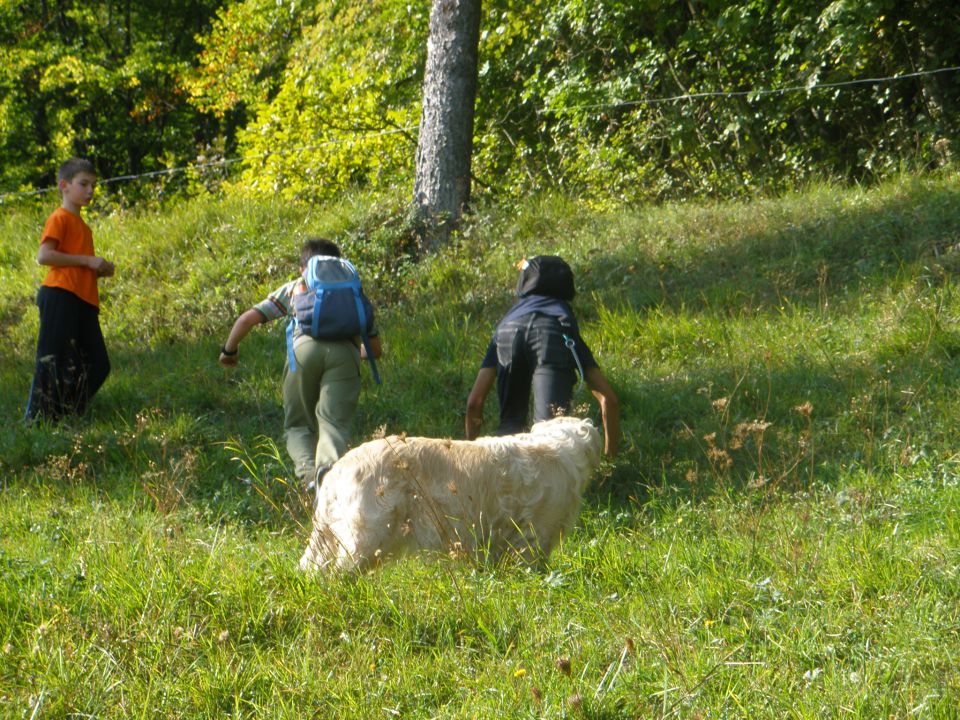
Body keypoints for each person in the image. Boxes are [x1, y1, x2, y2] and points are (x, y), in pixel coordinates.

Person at [219, 238, 382, 487]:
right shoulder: (352, 292)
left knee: (298, 425)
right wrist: (349, 351)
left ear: (302, 267)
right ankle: (327, 476)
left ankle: (308, 477)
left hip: (302, 353)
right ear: (337, 264)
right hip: (346, 355)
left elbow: (246, 320)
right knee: (333, 423)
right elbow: (375, 349)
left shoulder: (297, 286)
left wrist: (228, 351)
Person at [465, 256, 620, 456]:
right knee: (550, 432)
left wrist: (470, 455)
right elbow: (609, 400)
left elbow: (474, 402)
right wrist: (611, 459)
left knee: (510, 427)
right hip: (552, 334)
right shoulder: (561, 320)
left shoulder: (507, 322)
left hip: (508, 335)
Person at [26, 158, 115, 423]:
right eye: (83, 184)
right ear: (64, 186)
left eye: (93, 185)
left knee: (98, 363)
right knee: (52, 358)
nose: (90, 191)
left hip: (82, 299)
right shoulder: (60, 217)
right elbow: (45, 256)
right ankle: (37, 420)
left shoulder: (84, 227)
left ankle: (66, 415)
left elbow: (74, 260)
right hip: (59, 294)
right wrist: (88, 261)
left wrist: (98, 269)